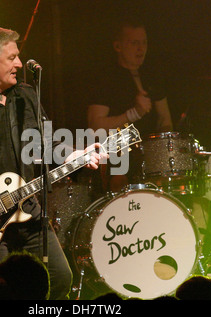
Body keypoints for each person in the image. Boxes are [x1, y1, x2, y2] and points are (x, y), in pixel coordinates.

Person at [0, 26, 106, 300]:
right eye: (11, 57)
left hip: (29, 211)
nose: (19, 63)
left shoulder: (27, 96)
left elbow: (46, 145)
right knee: (1, 292)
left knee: (60, 279)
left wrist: (72, 154)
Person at [87, 19, 173, 191]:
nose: (141, 49)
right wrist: (133, 114)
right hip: (116, 160)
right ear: (118, 46)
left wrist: (165, 155)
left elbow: (165, 120)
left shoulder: (152, 75)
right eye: (134, 43)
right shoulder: (106, 78)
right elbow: (95, 126)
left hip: (150, 162)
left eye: (144, 42)